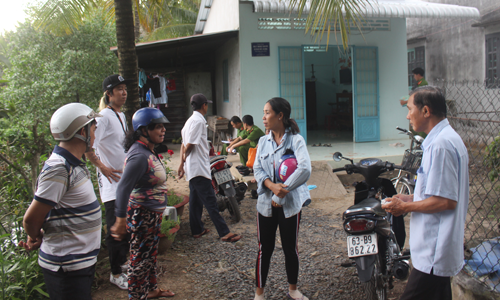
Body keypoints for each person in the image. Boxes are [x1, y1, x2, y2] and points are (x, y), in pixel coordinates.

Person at [382, 86, 469, 300]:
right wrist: (410, 198)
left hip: (434, 251)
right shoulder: (443, 140)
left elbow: (447, 201)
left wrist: (405, 207)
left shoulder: (441, 145)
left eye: (411, 108)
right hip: (435, 250)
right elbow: (438, 192)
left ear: (426, 111)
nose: (407, 114)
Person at [20, 103, 102, 300]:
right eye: (93, 126)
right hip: (66, 268)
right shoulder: (59, 168)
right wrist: (35, 235)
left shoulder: (73, 163)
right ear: (82, 131)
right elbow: (31, 220)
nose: (96, 130)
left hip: (78, 263)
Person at [110, 108, 175, 300]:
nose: (163, 130)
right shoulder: (138, 155)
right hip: (142, 214)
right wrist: (120, 219)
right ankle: (137, 296)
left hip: (150, 214)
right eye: (158, 127)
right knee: (139, 259)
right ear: (144, 130)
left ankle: (151, 289)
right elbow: (122, 188)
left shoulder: (147, 150)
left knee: (149, 254)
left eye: (164, 127)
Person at [253, 97, 312, 300]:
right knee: (264, 249)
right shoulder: (263, 141)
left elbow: (305, 168)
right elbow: (257, 168)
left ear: (280, 116)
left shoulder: (296, 140)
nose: (264, 117)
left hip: (290, 205)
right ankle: (259, 293)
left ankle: (293, 289)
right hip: (265, 205)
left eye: (267, 112)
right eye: (264, 112)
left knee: (290, 248)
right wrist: (271, 186)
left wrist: (283, 190)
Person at [85, 74, 132, 290]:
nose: (123, 92)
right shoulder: (103, 117)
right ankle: (115, 273)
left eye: (124, 88)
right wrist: (102, 167)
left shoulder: (120, 115)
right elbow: (88, 145)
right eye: (118, 89)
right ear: (109, 93)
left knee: (126, 227)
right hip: (112, 185)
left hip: (124, 181)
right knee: (115, 229)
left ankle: (123, 265)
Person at [177, 93, 242, 242]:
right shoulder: (198, 122)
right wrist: (182, 162)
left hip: (192, 168)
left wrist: (182, 163)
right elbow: (190, 145)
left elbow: (183, 144)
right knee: (210, 201)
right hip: (198, 168)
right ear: (204, 106)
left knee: (195, 201)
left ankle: (197, 229)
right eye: (207, 104)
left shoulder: (189, 121)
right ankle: (224, 232)